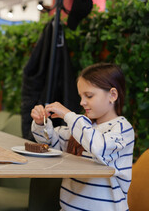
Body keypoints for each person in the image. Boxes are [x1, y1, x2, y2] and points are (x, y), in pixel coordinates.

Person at [30, 63, 134, 210]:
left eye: (89, 96)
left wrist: (68, 114)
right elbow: (51, 142)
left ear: (112, 95)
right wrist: (41, 123)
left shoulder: (122, 129)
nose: (82, 102)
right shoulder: (84, 127)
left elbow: (99, 147)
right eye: (81, 96)